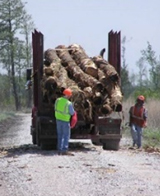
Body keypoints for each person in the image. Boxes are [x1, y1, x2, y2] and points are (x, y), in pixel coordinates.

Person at [54, 88, 75, 155]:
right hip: (65, 121)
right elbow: (72, 113)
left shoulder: (57, 100)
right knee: (66, 135)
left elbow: (55, 108)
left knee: (60, 135)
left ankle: (59, 149)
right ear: (68, 95)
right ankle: (64, 150)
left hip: (58, 120)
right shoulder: (68, 103)